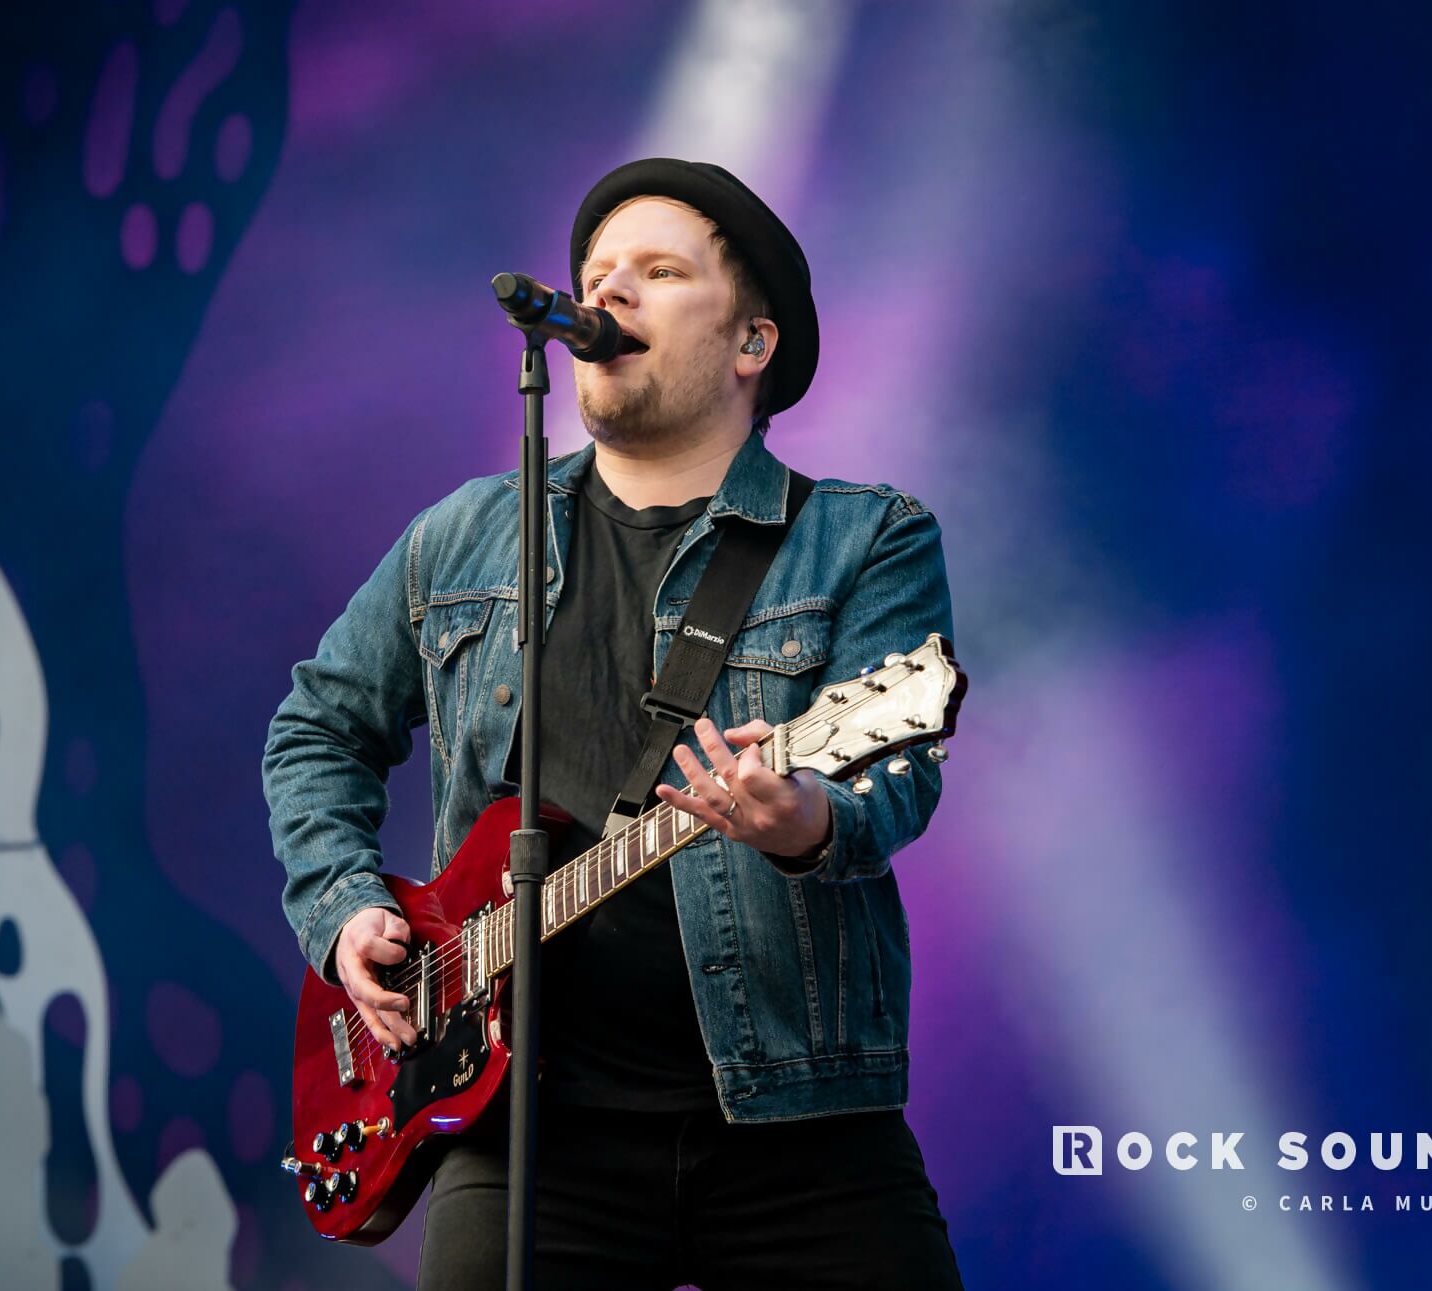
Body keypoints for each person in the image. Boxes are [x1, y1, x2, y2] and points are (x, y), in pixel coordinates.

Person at [263, 158, 964, 1289]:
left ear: (753, 343)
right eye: (596, 273)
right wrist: (344, 908)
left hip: (801, 1121)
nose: (609, 293)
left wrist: (804, 821)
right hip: (520, 1129)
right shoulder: (465, 536)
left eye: (659, 271)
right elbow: (317, 727)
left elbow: (898, 776)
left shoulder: (862, 537)